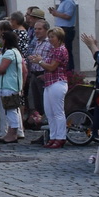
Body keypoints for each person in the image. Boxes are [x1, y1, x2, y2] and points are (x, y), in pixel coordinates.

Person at [31, 18, 70, 147]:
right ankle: (53, 136)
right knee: (49, 112)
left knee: (58, 112)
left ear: (59, 38)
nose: (50, 39)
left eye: (52, 37)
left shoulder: (60, 50)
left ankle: (61, 137)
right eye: (50, 37)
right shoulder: (54, 50)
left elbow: (52, 67)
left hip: (57, 82)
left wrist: (40, 62)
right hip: (50, 82)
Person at [0, 22, 25, 143]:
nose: (0, 40)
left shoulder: (10, 52)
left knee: (10, 111)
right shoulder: (14, 52)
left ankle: (12, 134)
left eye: (2, 38)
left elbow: (1, 69)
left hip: (8, 85)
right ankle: (11, 133)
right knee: (11, 110)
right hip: (10, 85)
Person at [50, 0, 78, 69]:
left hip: (66, 29)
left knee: (67, 50)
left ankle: (69, 70)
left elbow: (68, 16)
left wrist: (56, 13)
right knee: (63, 50)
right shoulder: (64, 1)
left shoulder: (69, 2)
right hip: (62, 29)